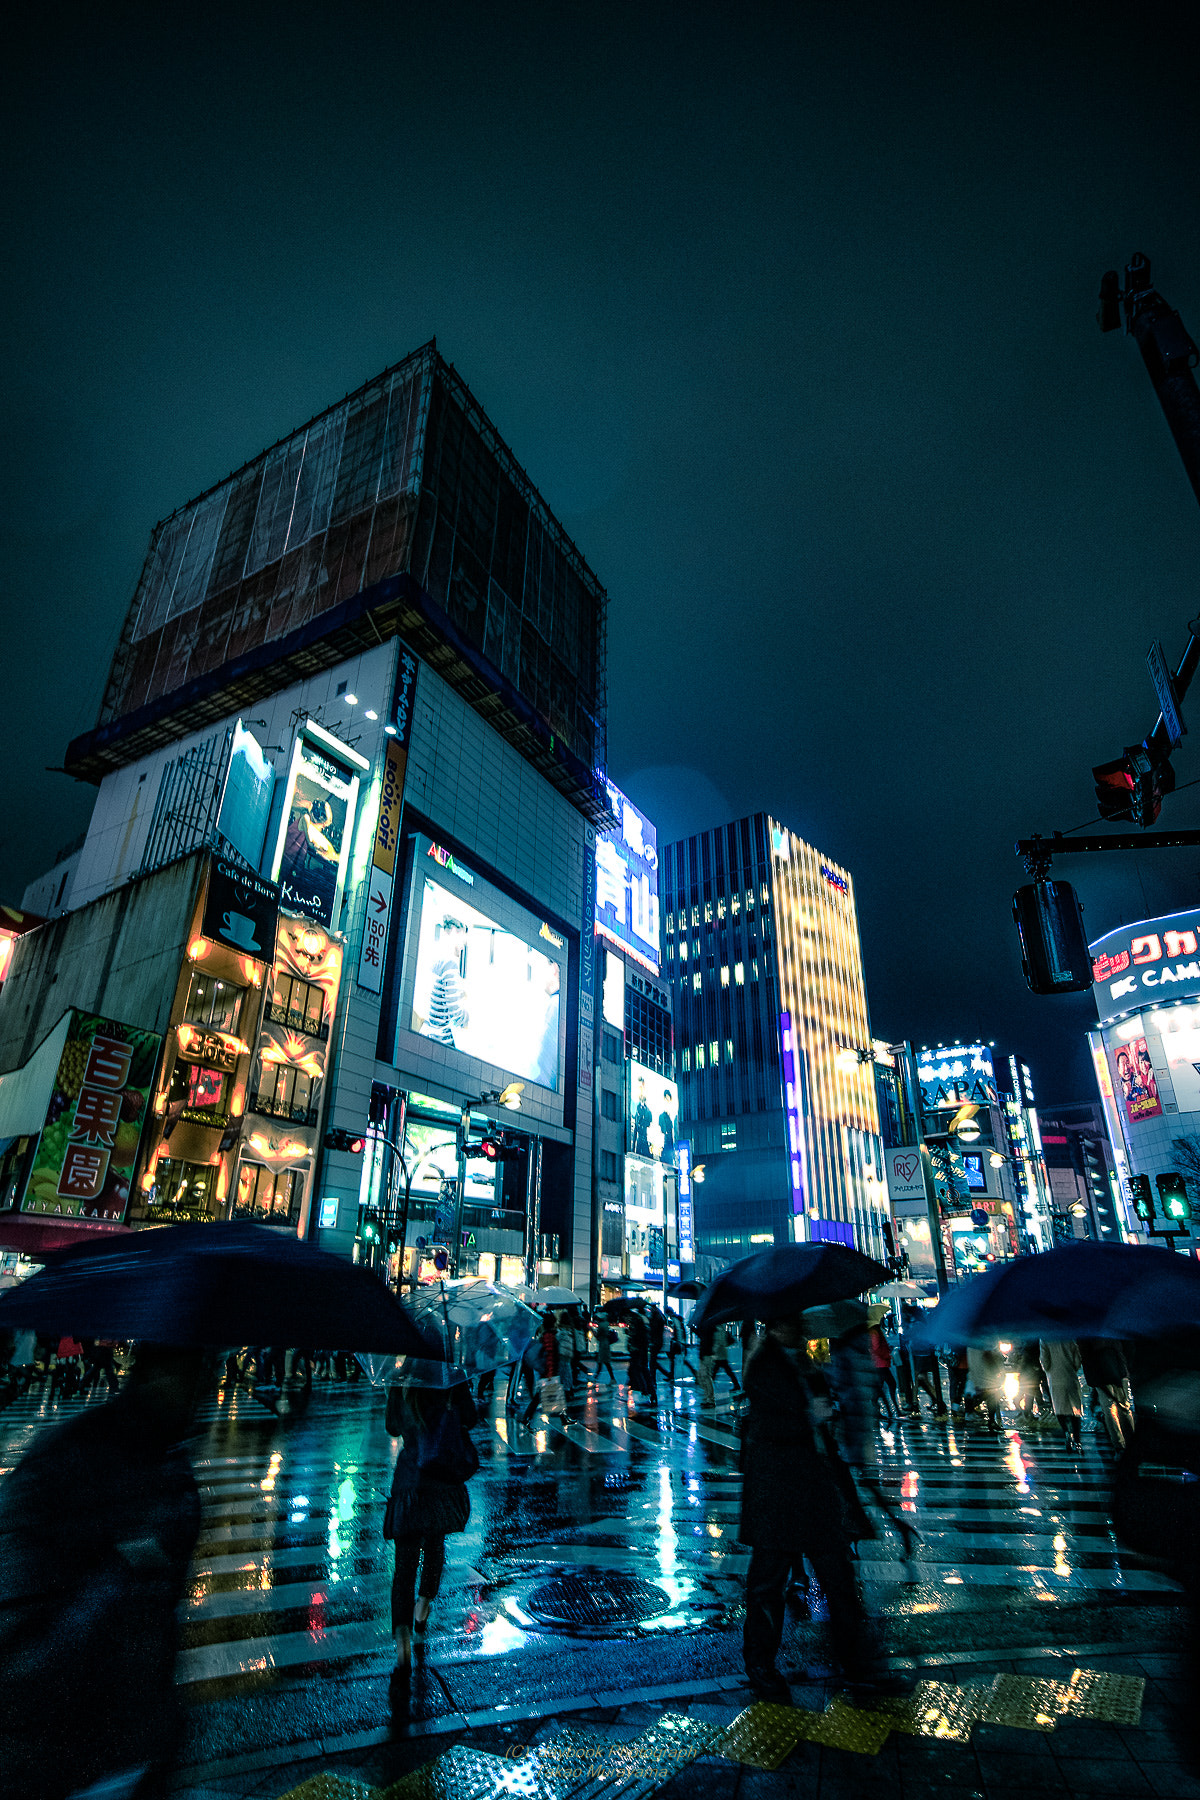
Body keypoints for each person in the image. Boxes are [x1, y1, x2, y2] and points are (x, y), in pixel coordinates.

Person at [0, 1343, 204, 1800]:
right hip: (64, 1737)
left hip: (136, 1737)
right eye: (188, 1377)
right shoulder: (75, 1455)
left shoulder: (170, 1464)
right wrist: (126, 1571)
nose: (197, 1396)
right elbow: (25, 1605)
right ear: (155, 1372)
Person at [739, 1315, 906, 1703]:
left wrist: (823, 1404)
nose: (799, 1325)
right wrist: (808, 1414)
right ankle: (759, 1665)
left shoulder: (802, 1361)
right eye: (791, 1318)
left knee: (839, 1580)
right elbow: (771, 1426)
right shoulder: (763, 1364)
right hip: (778, 1494)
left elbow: (822, 1417)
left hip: (813, 1490)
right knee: (768, 1584)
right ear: (777, 1323)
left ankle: (860, 1667)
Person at [384, 1376, 479, 1684]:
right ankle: (423, 1607)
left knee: (404, 1565)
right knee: (435, 1548)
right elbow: (471, 1418)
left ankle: (402, 1639)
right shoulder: (450, 1378)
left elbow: (392, 1427)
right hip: (440, 1477)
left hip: (410, 1480)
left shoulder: (401, 1380)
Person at [1079, 1338, 1134, 1453]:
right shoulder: (1112, 1328)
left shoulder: (1088, 1333)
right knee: (1124, 1407)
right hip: (1118, 1368)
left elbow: (1085, 1354)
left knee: (1109, 1409)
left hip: (1101, 1372)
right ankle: (1131, 1442)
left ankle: (1119, 1445)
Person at [423, 916, 470, 1048]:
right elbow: (455, 1012)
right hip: (442, 1041)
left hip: (431, 1035)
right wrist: (470, 1017)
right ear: (455, 931)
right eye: (464, 934)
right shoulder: (450, 963)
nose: (465, 942)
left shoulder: (437, 959)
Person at [1040, 1338, 1083, 1452]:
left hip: (1054, 1378)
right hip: (1070, 1377)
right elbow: (1077, 1361)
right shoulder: (1070, 1337)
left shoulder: (1045, 1338)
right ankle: (1077, 1440)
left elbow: (1045, 1361)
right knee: (1075, 1408)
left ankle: (1067, 1433)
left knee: (1059, 1409)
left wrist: (1048, 1370)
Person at [967, 1345, 1005, 1433]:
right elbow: (989, 1354)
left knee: (991, 1393)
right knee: (991, 1393)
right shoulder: (984, 1341)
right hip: (986, 1370)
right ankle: (970, 1409)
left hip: (979, 1369)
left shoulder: (972, 1343)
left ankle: (990, 1420)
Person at [626, 1307, 652, 1399]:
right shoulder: (644, 1319)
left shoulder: (637, 1321)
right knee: (643, 1368)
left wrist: (631, 1336)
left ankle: (645, 1390)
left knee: (638, 1368)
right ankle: (649, 1389)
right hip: (642, 1348)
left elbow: (636, 1336)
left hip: (637, 1348)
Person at [593, 1312, 618, 1385]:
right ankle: (611, 1378)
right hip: (606, 1344)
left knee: (602, 1362)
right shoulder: (606, 1324)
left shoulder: (601, 1325)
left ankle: (596, 1377)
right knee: (605, 1362)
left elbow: (597, 1336)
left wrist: (592, 1330)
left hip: (603, 1345)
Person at [632, 1080, 653, 1157]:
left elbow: (649, 1123)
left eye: (643, 1088)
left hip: (645, 1140)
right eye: (640, 1088)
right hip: (636, 1140)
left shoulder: (648, 1111)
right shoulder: (633, 1106)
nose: (641, 1091)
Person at [657, 1090, 676, 1166]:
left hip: (670, 1148)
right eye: (666, 1099)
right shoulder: (661, 1117)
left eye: (669, 1100)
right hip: (663, 1148)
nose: (667, 1102)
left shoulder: (672, 1118)